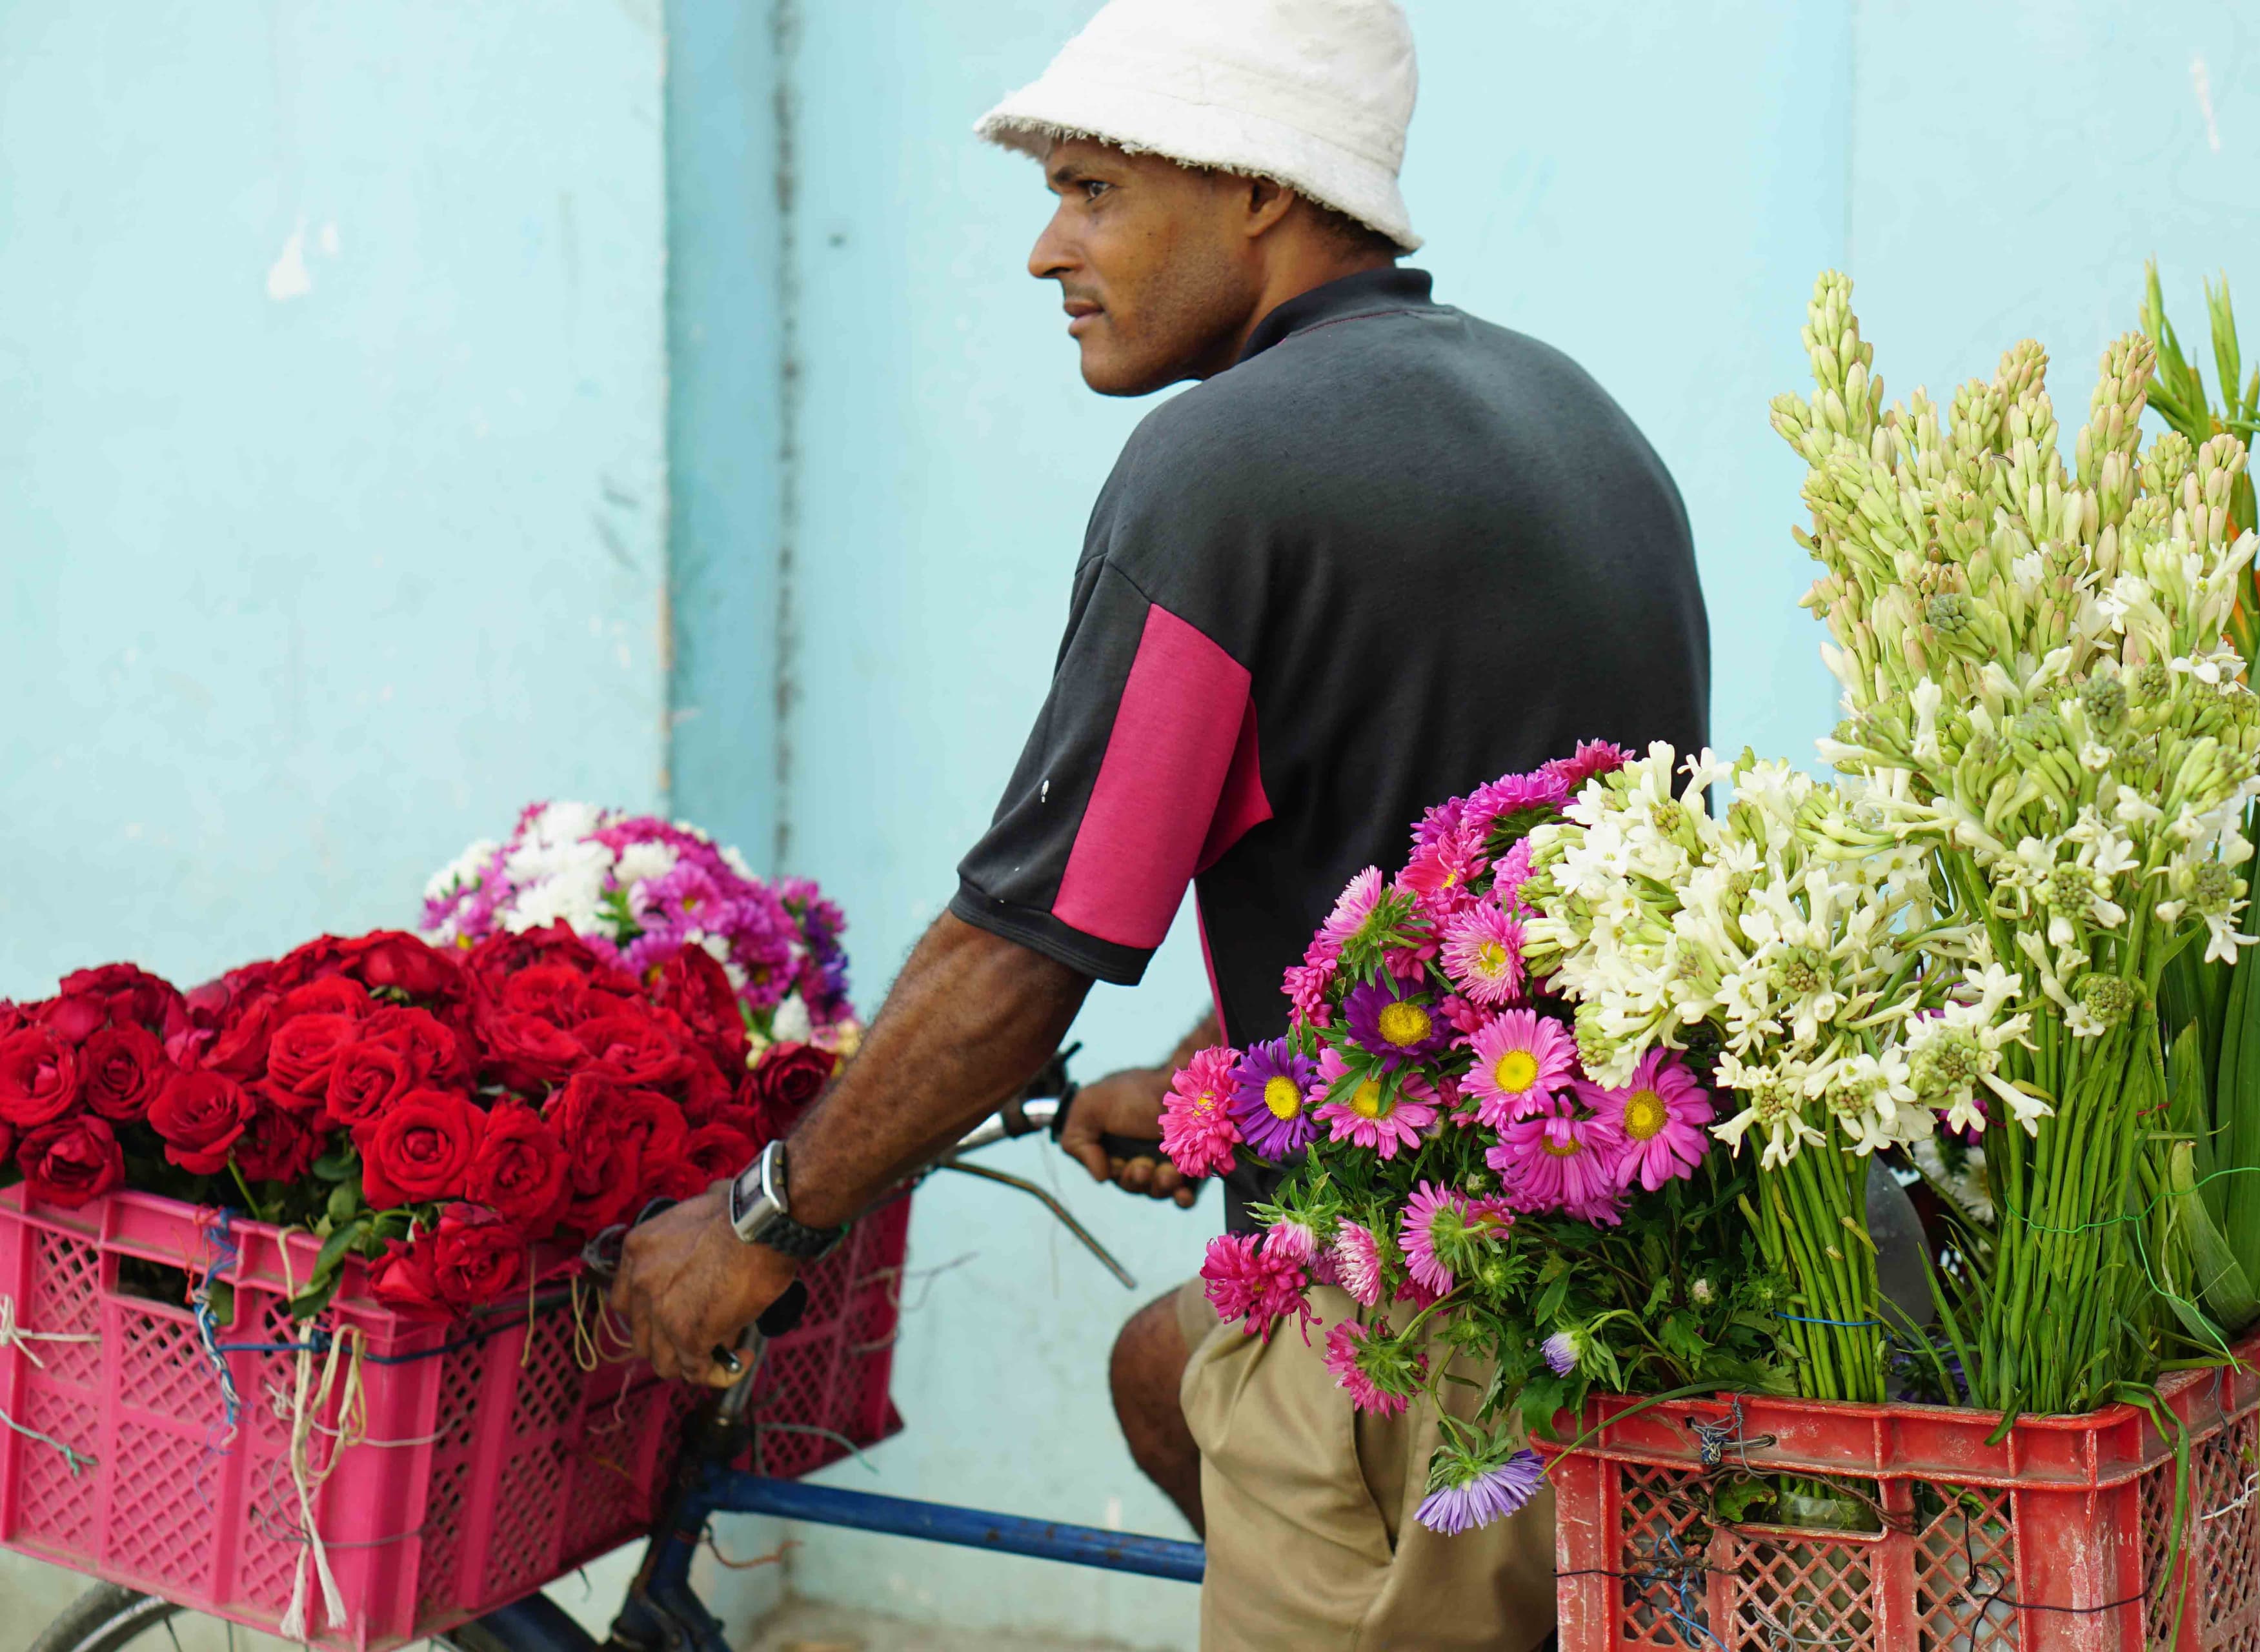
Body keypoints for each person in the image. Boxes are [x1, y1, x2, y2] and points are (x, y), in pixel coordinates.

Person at [613, 0, 1710, 1645]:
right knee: (1159, 1367)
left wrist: (762, 1219)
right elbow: (1446, 854)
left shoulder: (1220, 468)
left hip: (1426, 1346)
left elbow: (1020, 957)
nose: (1049, 250)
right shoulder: (1577, 420)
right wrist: (1218, 1068)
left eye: (1095, 190)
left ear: (1260, 189)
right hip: (1649, 1266)